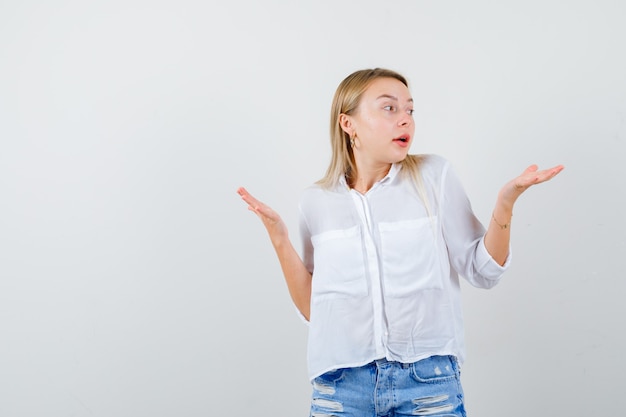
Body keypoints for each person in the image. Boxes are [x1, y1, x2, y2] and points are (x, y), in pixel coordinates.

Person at [237, 68, 563, 416]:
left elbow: (483, 271)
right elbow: (315, 311)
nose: (405, 119)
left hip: (427, 385)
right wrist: (280, 239)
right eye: (389, 108)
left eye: (409, 110)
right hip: (340, 388)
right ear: (348, 124)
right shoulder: (316, 201)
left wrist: (505, 203)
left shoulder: (434, 177)